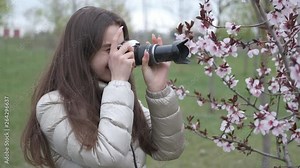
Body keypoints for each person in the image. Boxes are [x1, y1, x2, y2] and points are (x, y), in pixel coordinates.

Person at [21, 6, 184, 168]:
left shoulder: (121, 101)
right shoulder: (53, 107)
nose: (119, 56)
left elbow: (169, 149)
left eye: (122, 47)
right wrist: (119, 83)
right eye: (110, 49)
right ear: (82, 54)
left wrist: (158, 90)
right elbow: (107, 157)